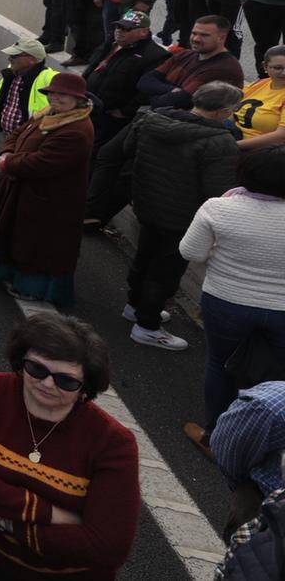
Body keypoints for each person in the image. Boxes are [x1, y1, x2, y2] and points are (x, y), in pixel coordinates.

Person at [0, 314, 139, 580]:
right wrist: (46, 513)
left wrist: (6, 522)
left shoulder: (113, 444)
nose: (47, 383)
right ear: (21, 364)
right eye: (37, 369)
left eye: (65, 381)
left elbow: (107, 548)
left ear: (85, 388)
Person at [87, 79, 242, 351]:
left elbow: (121, 152)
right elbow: (218, 191)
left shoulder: (151, 119)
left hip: (146, 203)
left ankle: (135, 307)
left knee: (144, 258)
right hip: (183, 216)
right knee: (166, 271)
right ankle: (147, 326)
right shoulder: (219, 141)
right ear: (223, 112)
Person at [179, 149, 285, 450]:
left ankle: (215, 437)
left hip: (227, 300)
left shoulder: (219, 207)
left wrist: (220, 254)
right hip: (282, 309)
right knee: (276, 377)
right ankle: (264, 442)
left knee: (220, 364)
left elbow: (191, 252)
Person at [0, 71, 95, 304]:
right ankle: (11, 277)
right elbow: (17, 134)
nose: (55, 98)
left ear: (78, 100)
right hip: (27, 193)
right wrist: (7, 151)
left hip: (52, 202)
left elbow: (43, 162)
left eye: (63, 95)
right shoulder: (48, 114)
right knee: (19, 240)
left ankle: (34, 289)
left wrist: (8, 163)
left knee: (39, 248)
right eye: (53, 93)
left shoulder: (77, 130)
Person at [211, 382, 285, 542]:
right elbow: (229, 448)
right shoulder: (271, 407)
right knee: (245, 562)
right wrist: (244, 489)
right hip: (262, 508)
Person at [83, 8, 168, 148]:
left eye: (127, 28)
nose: (119, 31)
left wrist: (125, 111)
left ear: (144, 32)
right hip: (89, 108)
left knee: (96, 151)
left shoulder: (155, 55)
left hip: (111, 117)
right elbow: (92, 67)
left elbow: (147, 89)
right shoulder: (111, 44)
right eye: (118, 26)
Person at [137, 14, 245, 109]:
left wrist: (153, 96)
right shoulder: (185, 55)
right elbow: (144, 81)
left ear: (221, 38)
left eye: (204, 35)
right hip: (163, 117)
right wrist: (173, 89)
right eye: (194, 33)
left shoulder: (223, 68)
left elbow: (180, 101)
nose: (196, 39)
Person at [0, 38, 57, 161]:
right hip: (4, 136)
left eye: (14, 56)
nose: (9, 59)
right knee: (0, 176)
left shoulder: (50, 78)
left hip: (28, 140)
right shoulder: (11, 75)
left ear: (32, 59)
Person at [235, 45, 285, 146]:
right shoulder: (258, 84)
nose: (284, 72)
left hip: (265, 150)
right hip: (234, 135)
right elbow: (232, 114)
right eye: (278, 68)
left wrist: (234, 146)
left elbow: (281, 136)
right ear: (265, 67)